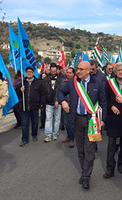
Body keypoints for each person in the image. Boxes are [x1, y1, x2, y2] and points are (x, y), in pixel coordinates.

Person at [57, 61, 107, 190]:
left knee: (89, 149)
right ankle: (84, 171)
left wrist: (103, 120)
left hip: (92, 121)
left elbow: (103, 102)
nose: (77, 71)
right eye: (77, 69)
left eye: (80, 69)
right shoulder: (73, 83)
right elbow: (60, 91)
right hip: (77, 120)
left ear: (88, 70)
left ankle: (86, 176)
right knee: (80, 150)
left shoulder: (98, 83)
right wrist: (63, 102)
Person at [103, 63, 122, 179]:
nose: (120, 72)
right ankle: (110, 169)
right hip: (112, 118)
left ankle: (121, 164)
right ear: (115, 72)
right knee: (111, 146)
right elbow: (105, 99)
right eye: (118, 70)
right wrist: (111, 107)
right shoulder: (109, 83)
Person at [16, 67, 46, 147]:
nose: (29, 73)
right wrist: (20, 90)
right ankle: (24, 139)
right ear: (25, 73)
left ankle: (34, 134)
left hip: (34, 107)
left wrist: (41, 104)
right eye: (27, 72)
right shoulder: (22, 83)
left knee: (35, 123)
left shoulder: (39, 83)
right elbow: (16, 95)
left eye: (31, 72)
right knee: (25, 124)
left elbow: (42, 94)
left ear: (33, 73)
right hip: (24, 107)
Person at [43, 63, 64, 142]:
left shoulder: (61, 79)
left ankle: (55, 134)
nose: (53, 73)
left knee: (57, 119)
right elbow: (43, 89)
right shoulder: (46, 79)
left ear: (57, 71)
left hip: (58, 102)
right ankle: (48, 135)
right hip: (48, 102)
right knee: (48, 118)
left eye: (54, 71)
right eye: (52, 71)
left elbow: (61, 90)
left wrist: (57, 100)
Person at [61, 67, 75, 148]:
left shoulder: (77, 82)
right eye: (67, 72)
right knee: (66, 122)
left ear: (73, 74)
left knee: (72, 123)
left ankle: (72, 139)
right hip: (65, 105)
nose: (68, 74)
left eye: (70, 73)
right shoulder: (63, 82)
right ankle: (68, 135)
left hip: (73, 106)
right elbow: (59, 92)